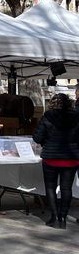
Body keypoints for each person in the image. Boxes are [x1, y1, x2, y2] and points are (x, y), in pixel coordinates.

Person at [32, 93, 79, 229]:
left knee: (50, 187)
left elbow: (37, 137)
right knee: (66, 188)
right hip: (71, 158)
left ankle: (53, 217)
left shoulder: (48, 116)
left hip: (51, 157)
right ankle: (63, 218)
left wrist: (46, 140)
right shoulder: (76, 116)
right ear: (69, 103)